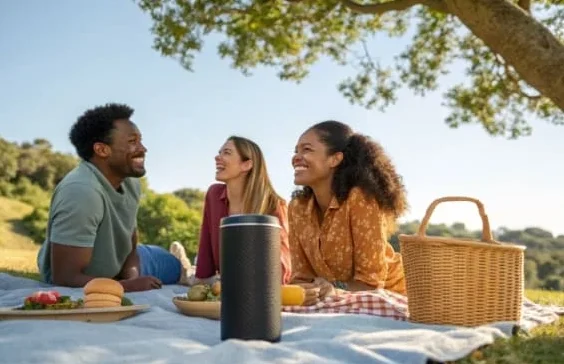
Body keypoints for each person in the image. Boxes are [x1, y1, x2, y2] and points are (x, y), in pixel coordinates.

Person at [37, 103, 191, 292]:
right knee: (171, 268)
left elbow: (130, 243)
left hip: (121, 263)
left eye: (140, 140)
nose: (143, 148)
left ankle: (177, 259)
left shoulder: (130, 182)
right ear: (102, 150)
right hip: (87, 278)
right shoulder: (81, 193)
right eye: (132, 141)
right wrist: (126, 286)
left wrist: (132, 278)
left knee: (173, 267)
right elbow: (65, 277)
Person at [288, 120, 408, 305]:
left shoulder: (360, 198)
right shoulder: (297, 208)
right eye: (296, 151)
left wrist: (334, 291)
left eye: (307, 149)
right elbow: (301, 279)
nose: (296, 157)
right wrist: (307, 290)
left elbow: (370, 283)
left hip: (393, 299)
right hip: (337, 303)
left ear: (335, 159)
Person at [193, 136, 292, 285]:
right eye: (219, 152)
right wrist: (201, 281)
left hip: (259, 288)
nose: (217, 157)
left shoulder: (273, 205)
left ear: (246, 165)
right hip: (225, 286)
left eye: (226, 152)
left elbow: (281, 269)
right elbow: (204, 261)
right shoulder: (214, 195)